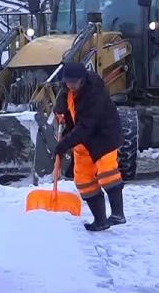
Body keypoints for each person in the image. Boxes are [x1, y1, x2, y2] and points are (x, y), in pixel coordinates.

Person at [53, 61, 125, 231]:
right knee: (84, 181)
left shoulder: (94, 92)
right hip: (83, 142)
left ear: (83, 79)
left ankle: (118, 214)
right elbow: (68, 108)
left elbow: (86, 126)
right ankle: (100, 221)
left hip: (103, 137)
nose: (71, 85)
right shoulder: (67, 89)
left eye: (74, 82)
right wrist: (61, 111)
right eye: (68, 82)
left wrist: (64, 144)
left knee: (107, 174)